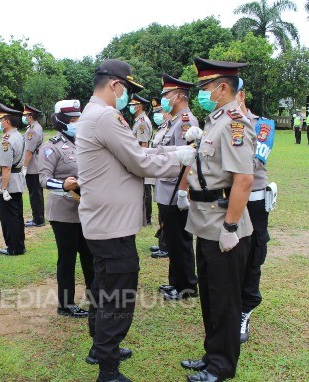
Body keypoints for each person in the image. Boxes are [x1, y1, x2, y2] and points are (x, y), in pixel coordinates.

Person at [76, 58, 195, 382]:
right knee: (117, 298)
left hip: (103, 223)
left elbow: (135, 157)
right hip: (111, 226)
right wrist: (179, 158)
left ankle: (101, 350)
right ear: (115, 85)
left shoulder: (92, 114)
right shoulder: (106, 117)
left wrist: (172, 156)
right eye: (126, 89)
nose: (126, 96)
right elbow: (140, 161)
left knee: (103, 291)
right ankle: (108, 370)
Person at [180, 58, 256, 382]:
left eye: (205, 87)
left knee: (225, 301)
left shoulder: (234, 124)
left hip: (224, 227)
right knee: (211, 298)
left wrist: (230, 228)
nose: (202, 93)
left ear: (222, 87)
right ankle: (212, 355)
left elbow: (243, 181)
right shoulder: (215, 122)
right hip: (205, 224)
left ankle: (221, 367)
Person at [38, 99, 94, 318]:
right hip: (63, 213)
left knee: (90, 254)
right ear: (61, 122)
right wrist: (63, 184)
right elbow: (43, 179)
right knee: (67, 257)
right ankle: (65, 304)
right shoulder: (51, 147)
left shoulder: (85, 142)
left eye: (79, 119)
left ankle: (94, 292)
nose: (77, 123)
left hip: (86, 210)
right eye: (72, 120)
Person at [236, 79, 275, 343]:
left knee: (252, 255)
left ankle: (244, 311)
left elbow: (253, 164)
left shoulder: (263, 125)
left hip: (253, 201)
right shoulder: (220, 124)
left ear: (241, 95)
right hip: (227, 200)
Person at [154, 74, 199, 301]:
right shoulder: (173, 121)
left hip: (175, 190)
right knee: (172, 239)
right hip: (166, 188)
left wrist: (183, 191)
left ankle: (186, 287)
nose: (164, 100)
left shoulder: (186, 122)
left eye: (167, 95)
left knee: (180, 240)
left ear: (179, 96)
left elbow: (186, 160)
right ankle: (176, 283)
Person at [0, 104, 26, 256]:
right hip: (17, 179)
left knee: (9, 218)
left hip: (9, 181)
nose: (0, 123)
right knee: (17, 215)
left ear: (6, 121)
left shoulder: (7, 140)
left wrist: (3, 188)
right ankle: (19, 245)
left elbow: (6, 167)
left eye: (1, 120)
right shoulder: (18, 135)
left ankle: (13, 247)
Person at [128, 94, 154, 225]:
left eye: (132, 105)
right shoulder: (138, 120)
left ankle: (147, 217)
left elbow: (143, 144)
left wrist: (139, 163)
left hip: (142, 158)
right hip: (139, 158)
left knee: (145, 189)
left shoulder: (142, 122)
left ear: (138, 106)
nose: (131, 108)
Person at [149, 105, 172, 258]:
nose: (159, 115)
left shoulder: (177, 125)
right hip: (161, 175)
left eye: (161, 111)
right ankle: (163, 243)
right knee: (163, 214)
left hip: (169, 177)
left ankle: (166, 246)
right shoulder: (164, 126)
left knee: (168, 215)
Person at [22, 104, 46, 227]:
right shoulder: (35, 127)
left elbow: (29, 150)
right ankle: (38, 217)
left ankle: (38, 219)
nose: (25, 117)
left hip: (33, 167)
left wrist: (24, 167)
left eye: (26, 115)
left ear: (30, 116)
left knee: (35, 194)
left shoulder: (33, 130)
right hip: (36, 165)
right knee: (36, 193)